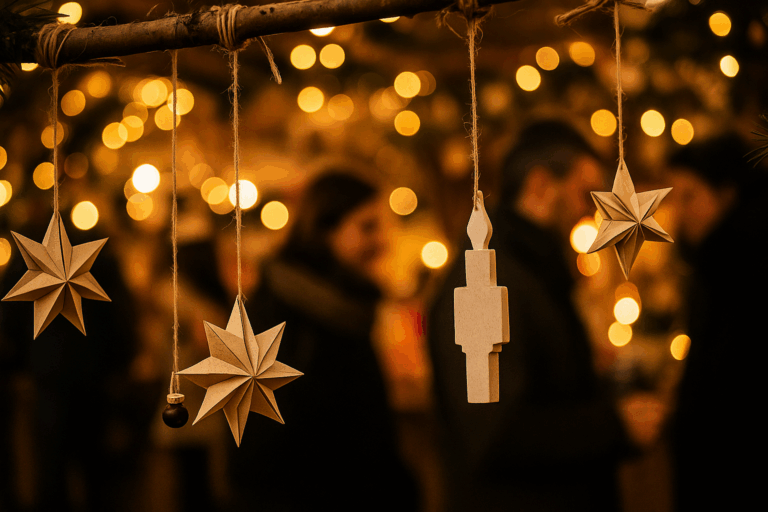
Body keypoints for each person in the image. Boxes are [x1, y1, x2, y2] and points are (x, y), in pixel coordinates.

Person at [428, 120, 662, 511]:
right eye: (582, 194)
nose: (589, 214)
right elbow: (494, 435)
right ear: (539, 185)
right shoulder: (482, 281)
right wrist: (613, 426)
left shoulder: (536, 271)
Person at [227, 171, 419, 511]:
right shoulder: (279, 312)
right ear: (325, 228)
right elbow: (257, 441)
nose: (382, 242)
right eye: (367, 226)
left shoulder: (346, 306)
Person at [667, 134, 766, 511]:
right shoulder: (712, 263)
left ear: (726, 194)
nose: (679, 211)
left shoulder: (740, 268)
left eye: (689, 196)